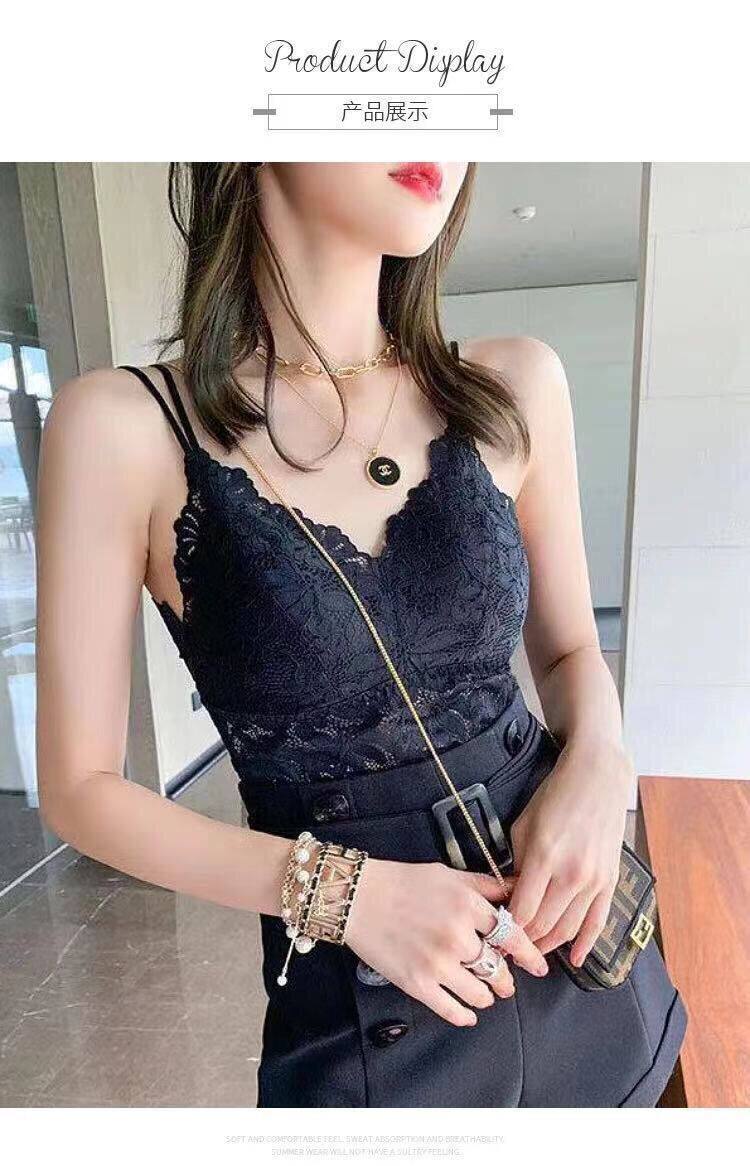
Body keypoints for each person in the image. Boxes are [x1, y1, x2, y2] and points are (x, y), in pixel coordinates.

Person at [36, 162, 686, 1107]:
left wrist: (600, 766)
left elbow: (568, 653)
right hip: (368, 1021)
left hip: (590, 972)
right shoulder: (123, 427)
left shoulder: (513, 382)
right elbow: (80, 789)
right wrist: (341, 894)